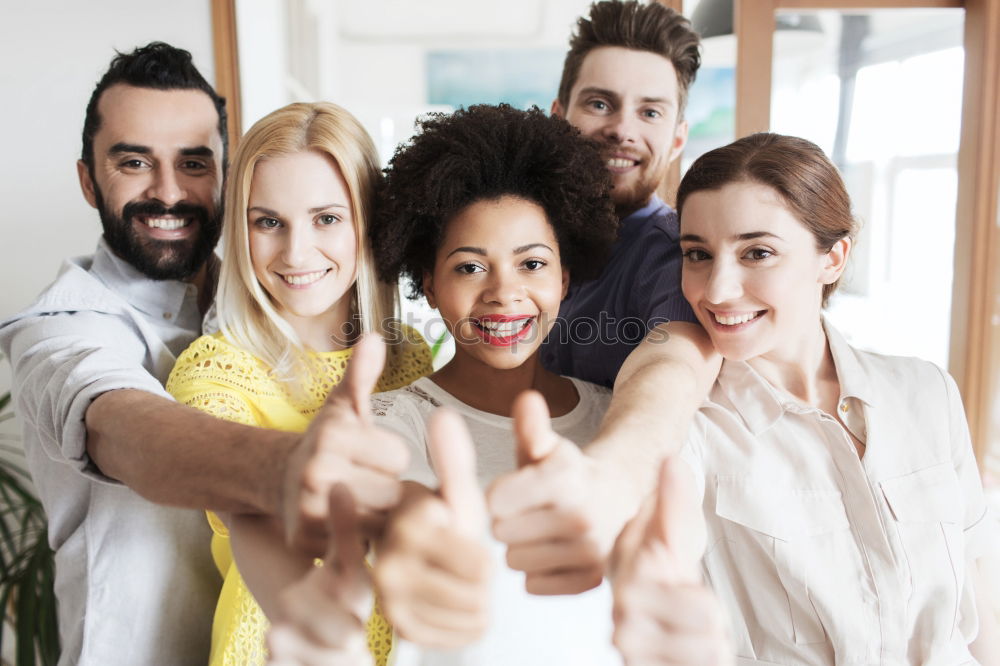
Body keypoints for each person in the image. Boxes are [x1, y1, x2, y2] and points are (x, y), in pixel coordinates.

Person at [0, 43, 409, 665]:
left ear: (225, 175)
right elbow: (125, 426)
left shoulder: (251, 297)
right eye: (134, 161)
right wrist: (289, 470)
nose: (169, 192)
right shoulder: (59, 328)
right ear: (88, 179)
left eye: (193, 163)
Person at [616, 133, 1000, 664]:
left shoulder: (927, 392)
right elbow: (660, 559)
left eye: (758, 252)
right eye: (698, 254)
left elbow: (977, 586)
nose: (717, 289)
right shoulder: (693, 427)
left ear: (834, 258)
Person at [165, 101, 432, 666]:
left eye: (327, 218)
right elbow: (245, 514)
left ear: (367, 222)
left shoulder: (408, 355)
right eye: (269, 222)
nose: (296, 252)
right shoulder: (211, 369)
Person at [366, 104, 622, 663]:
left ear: (565, 277)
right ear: (428, 284)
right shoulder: (394, 419)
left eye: (531, 264)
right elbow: (392, 505)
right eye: (469, 267)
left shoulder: (614, 418)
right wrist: (408, 525)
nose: (504, 293)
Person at [489, 0, 720, 599]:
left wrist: (608, 478)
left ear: (675, 138)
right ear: (559, 114)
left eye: (650, 111)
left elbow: (672, 369)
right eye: (601, 103)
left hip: (610, 558)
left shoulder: (670, 253)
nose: (623, 128)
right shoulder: (519, 234)